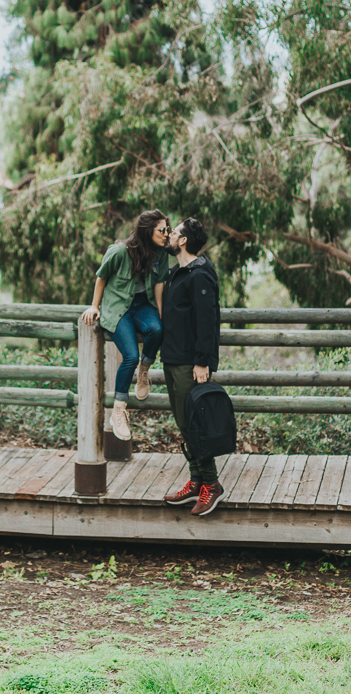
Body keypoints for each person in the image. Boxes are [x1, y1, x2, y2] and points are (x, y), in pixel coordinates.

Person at [81, 210, 171, 441]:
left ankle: (144, 370)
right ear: (147, 230)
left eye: (167, 229)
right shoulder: (119, 251)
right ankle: (119, 409)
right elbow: (101, 277)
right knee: (130, 356)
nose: (166, 234)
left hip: (143, 305)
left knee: (157, 330)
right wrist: (94, 306)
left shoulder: (161, 253)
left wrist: (161, 314)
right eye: (162, 230)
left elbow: (159, 284)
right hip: (118, 308)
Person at [160, 217, 224, 516]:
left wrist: (202, 361)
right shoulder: (178, 272)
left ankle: (211, 484)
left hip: (190, 363)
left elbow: (207, 319)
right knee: (184, 425)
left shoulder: (200, 274)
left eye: (173, 233)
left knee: (194, 425)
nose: (169, 236)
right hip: (172, 358)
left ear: (183, 240)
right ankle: (196, 479)